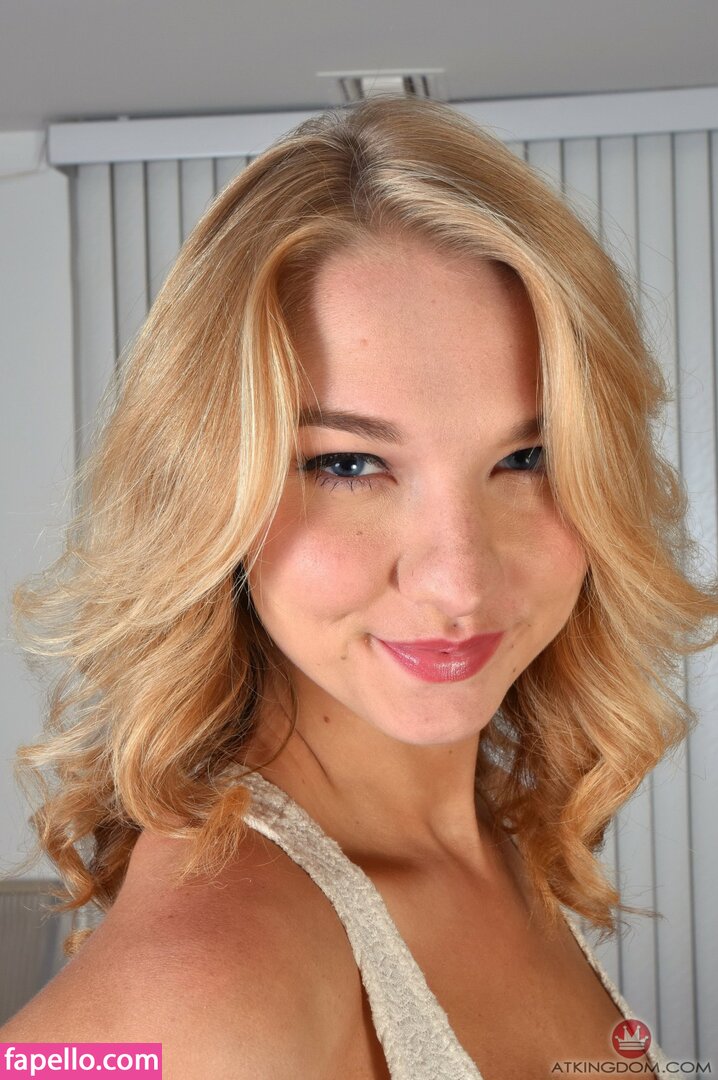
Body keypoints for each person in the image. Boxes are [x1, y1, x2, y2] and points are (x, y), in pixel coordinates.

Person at [1, 95, 715, 1078]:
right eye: (346, 465)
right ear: (207, 492)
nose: (458, 578)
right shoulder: (207, 982)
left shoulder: (490, 844)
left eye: (527, 457)